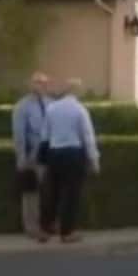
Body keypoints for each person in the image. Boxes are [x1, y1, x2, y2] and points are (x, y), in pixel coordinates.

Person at [37, 79, 100, 242]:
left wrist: (42, 158)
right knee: (71, 194)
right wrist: (94, 159)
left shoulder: (52, 108)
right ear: (77, 92)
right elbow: (88, 136)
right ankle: (67, 231)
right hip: (73, 152)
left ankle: (46, 228)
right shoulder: (80, 110)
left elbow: (44, 135)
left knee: (51, 192)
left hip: (54, 152)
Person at [11, 73, 52, 238]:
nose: (41, 86)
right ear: (31, 85)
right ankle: (32, 227)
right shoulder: (22, 106)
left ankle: (47, 224)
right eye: (37, 83)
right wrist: (22, 158)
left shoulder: (51, 104)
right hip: (31, 156)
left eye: (43, 83)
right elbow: (19, 134)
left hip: (50, 154)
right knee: (31, 193)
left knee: (49, 191)